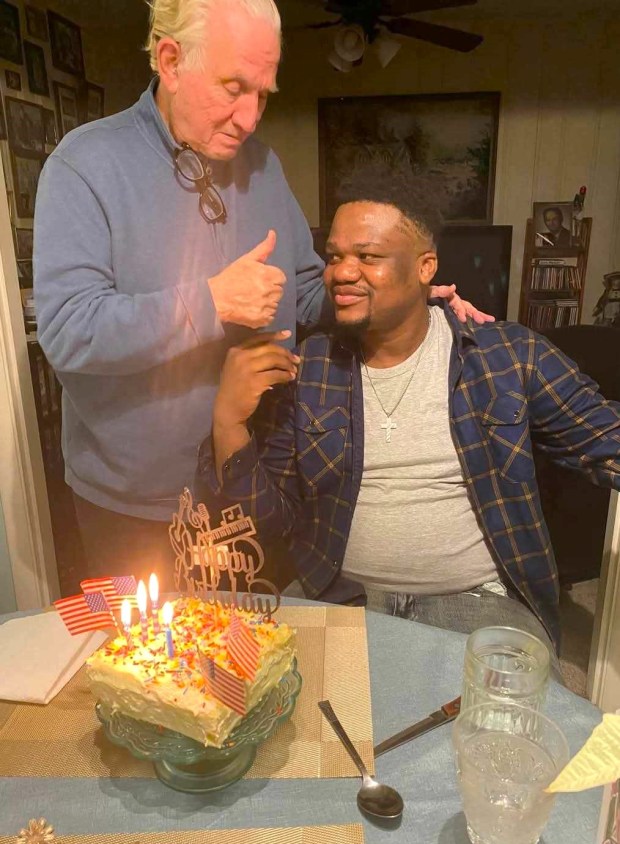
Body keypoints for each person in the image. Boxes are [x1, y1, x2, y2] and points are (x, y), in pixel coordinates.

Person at [33, 0, 486, 587]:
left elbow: (299, 293)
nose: (250, 118)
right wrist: (213, 304)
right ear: (170, 61)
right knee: (147, 674)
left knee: (256, 663)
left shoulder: (263, 166)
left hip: (255, 482)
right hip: (134, 504)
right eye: (232, 88)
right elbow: (69, 333)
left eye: (264, 94)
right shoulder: (84, 164)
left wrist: (386, 294)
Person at [197, 173, 620, 658]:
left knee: (494, 727)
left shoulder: (507, 357)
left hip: (478, 605)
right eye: (334, 256)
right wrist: (228, 424)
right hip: (340, 596)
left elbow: (606, 437)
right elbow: (266, 526)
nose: (342, 272)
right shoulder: (309, 368)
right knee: (266, 704)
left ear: (425, 267)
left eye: (368, 257)